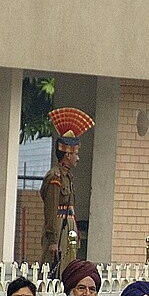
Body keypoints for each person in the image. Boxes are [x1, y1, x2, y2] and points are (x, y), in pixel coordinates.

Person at [40, 107, 94, 271]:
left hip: (68, 227)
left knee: (67, 269)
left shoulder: (67, 176)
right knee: (53, 270)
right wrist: (53, 240)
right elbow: (51, 209)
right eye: (75, 154)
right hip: (59, 227)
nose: (77, 158)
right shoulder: (55, 176)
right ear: (67, 155)